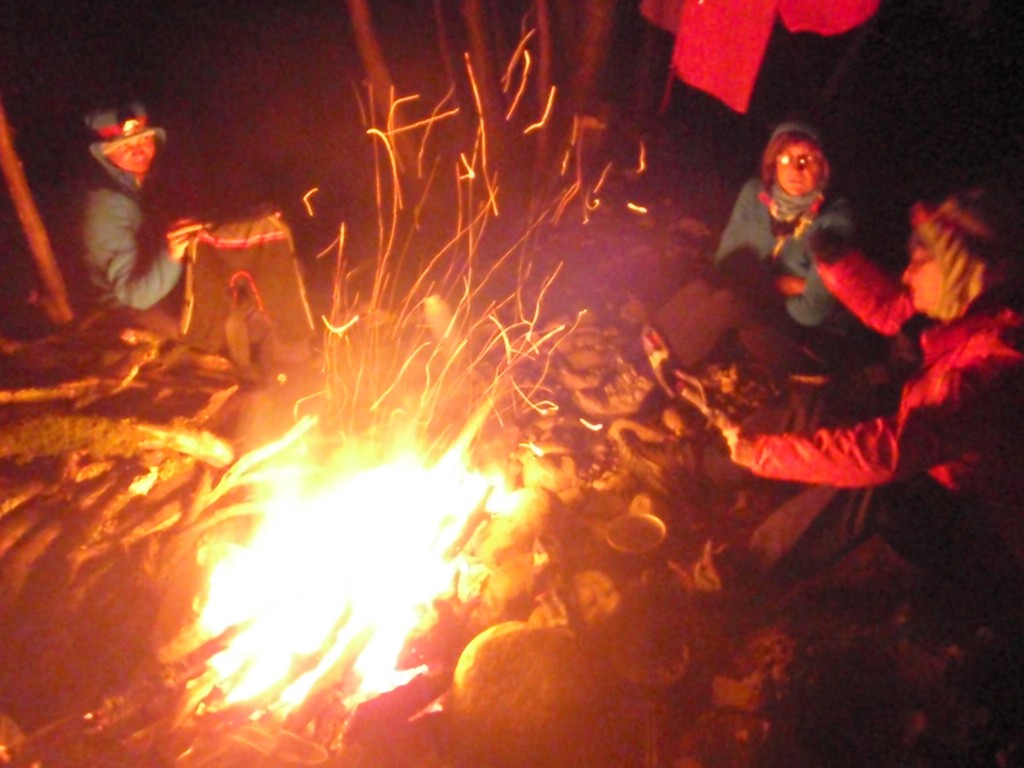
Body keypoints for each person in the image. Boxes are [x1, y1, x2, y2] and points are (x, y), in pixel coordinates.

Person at [710, 188, 1024, 630]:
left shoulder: (999, 363)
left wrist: (763, 454)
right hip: (944, 467)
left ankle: (749, 569)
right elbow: (893, 307)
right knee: (843, 403)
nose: (908, 273)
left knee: (873, 482)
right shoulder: (975, 311)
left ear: (963, 271)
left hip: (989, 526)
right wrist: (835, 260)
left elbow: (890, 452)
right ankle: (712, 463)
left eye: (921, 261)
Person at [647, 121, 862, 375]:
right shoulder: (755, 194)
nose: (795, 168)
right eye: (785, 159)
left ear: (824, 167)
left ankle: (657, 377)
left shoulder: (834, 221)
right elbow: (725, 263)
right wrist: (787, 285)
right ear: (773, 162)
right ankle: (638, 355)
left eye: (806, 159)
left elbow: (811, 311)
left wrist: (764, 286)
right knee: (700, 288)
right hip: (760, 305)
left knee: (729, 302)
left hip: (807, 339)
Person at [80, 102, 199, 333]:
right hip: (124, 310)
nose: (138, 150)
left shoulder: (145, 184)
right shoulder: (105, 208)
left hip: (162, 292)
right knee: (199, 338)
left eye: (144, 139)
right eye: (124, 145)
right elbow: (137, 296)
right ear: (105, 154)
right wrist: (172, 253)